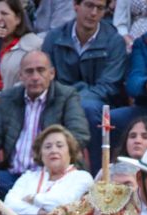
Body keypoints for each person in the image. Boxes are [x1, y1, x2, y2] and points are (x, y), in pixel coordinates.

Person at [0, 51, 91, 194]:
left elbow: (79, 134)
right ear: (21, 76)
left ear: (52, 73)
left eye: (41, 70)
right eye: (29, 72)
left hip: (53, 176)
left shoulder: (66, 96)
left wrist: (53, 159)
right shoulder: (8, 98)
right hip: (13, 176)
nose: (35, 77)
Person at [42, 0, 127, 165]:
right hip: (60, 99)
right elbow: (47, 78)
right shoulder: (54, 38)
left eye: (100, 8)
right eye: (89, 5)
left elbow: (109, 86)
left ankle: (96, 170)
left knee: (88, 108)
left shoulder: (114, 41)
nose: (94, 12)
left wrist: (73, 99)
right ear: (75, 5)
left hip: (100, 103)